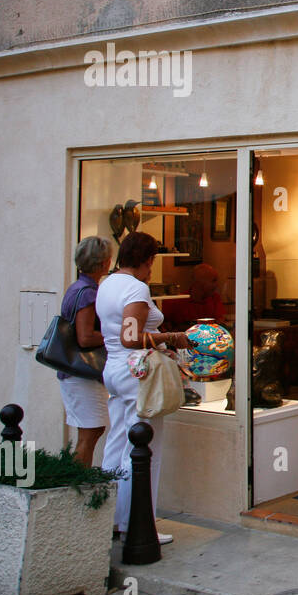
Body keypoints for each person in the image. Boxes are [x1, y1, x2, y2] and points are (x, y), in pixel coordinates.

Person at [97, 231, 194, 545]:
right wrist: (171, 337)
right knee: (143, 448)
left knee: (116, 443)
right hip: (136, 371)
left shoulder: (107, 283)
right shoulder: (135, 288)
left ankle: (108, 517)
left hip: (113, 368)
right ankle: (136, 523)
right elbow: (131, 336)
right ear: (147, 259)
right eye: (153, 260)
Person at [57, 236, 114, 467]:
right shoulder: (89, 293)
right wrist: (114, 335)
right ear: (103, 263)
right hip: (81, 373)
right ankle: (77, 486)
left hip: (73, 373)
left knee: (90, 431)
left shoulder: (77, 287)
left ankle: (77, 483)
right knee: (90, 433)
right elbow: (85, 336)